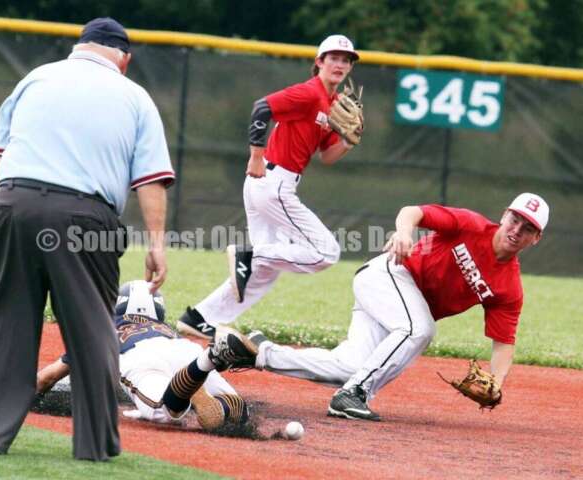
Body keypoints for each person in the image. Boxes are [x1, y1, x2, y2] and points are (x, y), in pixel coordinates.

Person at [0, 17, 174, 461]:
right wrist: (157, 243)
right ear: (125, 58)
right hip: (83, 216)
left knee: (3, 324)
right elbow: (151, 180)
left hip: (12, 203)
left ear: (78, 47)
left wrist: (1, 213)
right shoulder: (134, 95)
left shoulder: (35, 78)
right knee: (92, 327)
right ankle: (95, 445)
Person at [244, 193, 549, 421]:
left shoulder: (509, 287)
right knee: (420, 329)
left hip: (397, 308)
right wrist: (404, 232)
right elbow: (412, 212)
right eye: (515, 219)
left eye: (527, 227)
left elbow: (503, 342)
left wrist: (497, 381)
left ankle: (258, 352)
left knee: (349, 369)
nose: (517, 229)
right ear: (504, 214)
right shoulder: (470, 225)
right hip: (390, 275)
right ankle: (355, 395)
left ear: (536, 238)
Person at [178, 34, 362, 340]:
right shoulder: (308, 93)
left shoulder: (331, 105)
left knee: (263, 273)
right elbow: (262, 107)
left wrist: (347, 140)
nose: (340, 64)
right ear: (319, 62)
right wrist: (256, 156)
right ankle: (248, 255)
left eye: (346, 60)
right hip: (273, 182)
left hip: (269, 184)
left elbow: (328, 156)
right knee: (326, 252)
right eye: (334, 58)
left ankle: (199, 318)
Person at [35, 280, 257, 431]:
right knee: (241, 415)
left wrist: (25, 398)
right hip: (185, 350)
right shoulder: (165, 328)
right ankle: (210, 358)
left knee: (165, 411)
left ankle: (200, 371)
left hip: (139, 358)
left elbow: (48, 378)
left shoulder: (101, 327)